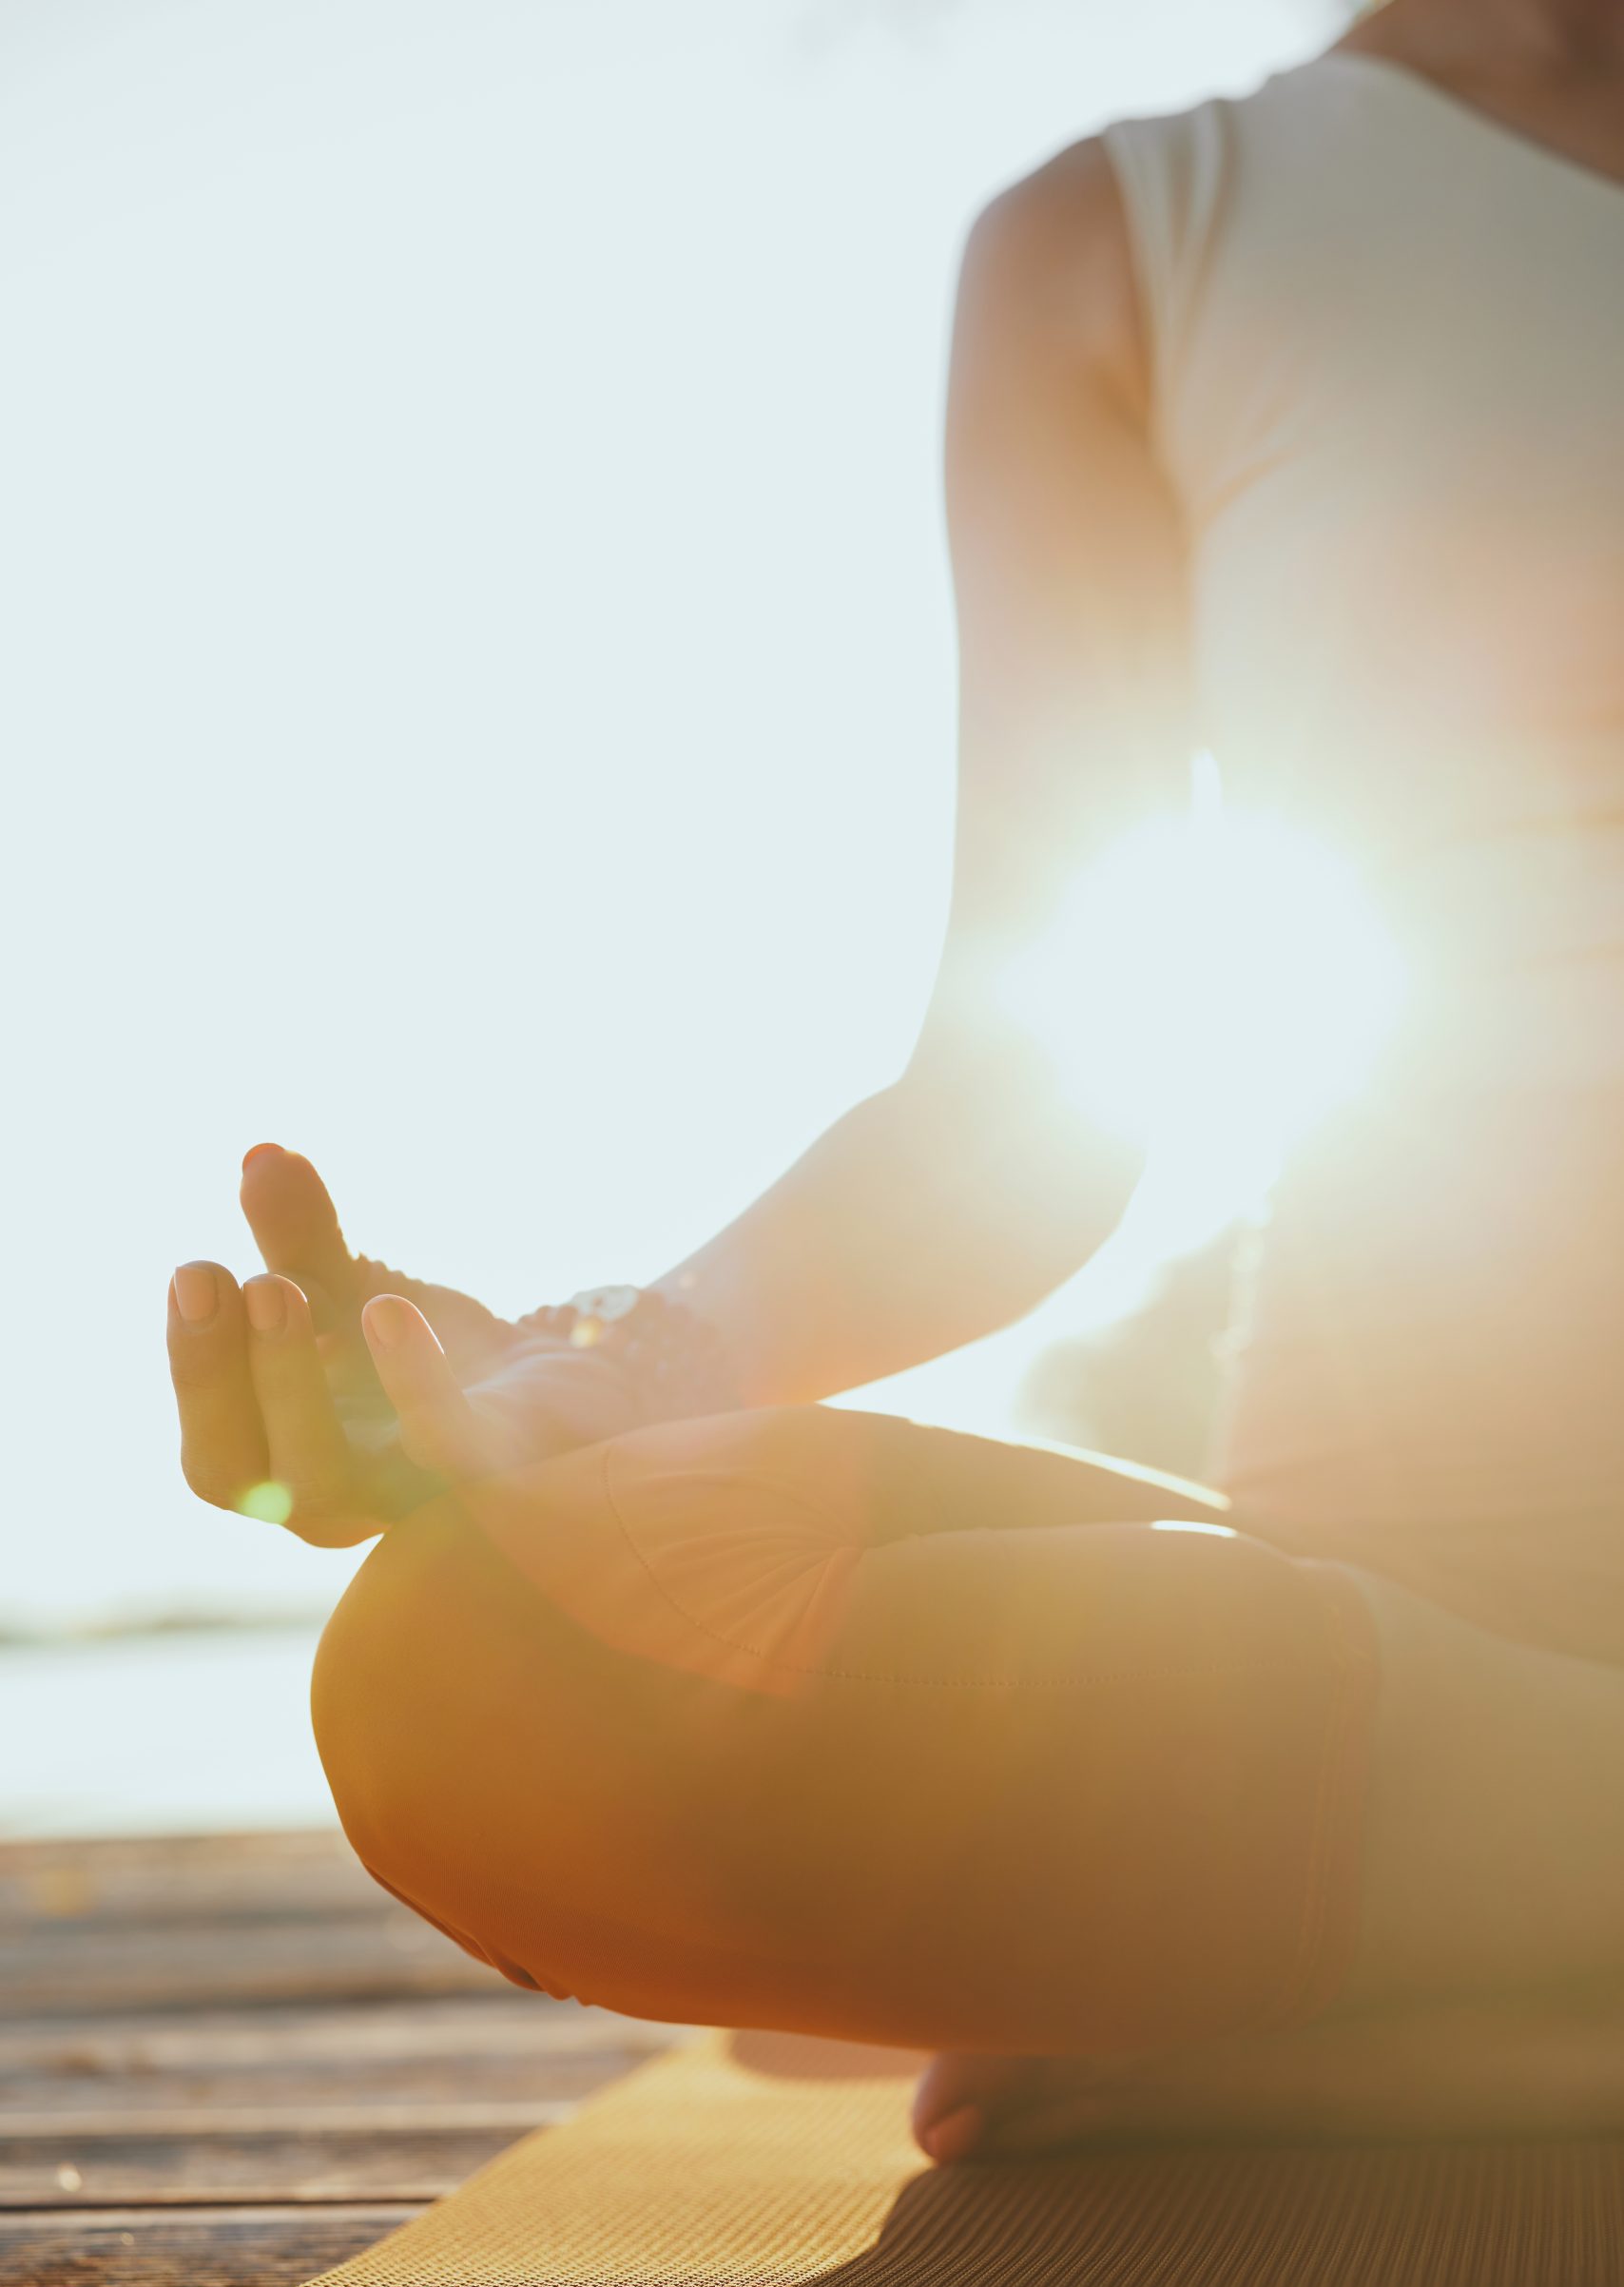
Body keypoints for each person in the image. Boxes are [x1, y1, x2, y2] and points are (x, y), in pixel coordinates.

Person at [167, 0, 1624, 2165]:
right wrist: (611, 1371)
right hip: (1431, 1642)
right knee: (470, 1678)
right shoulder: (1138, 235)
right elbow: (1015, 1102)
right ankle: (1481, 1936)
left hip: (1461, 1764)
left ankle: (1432, 1987)